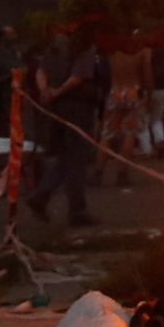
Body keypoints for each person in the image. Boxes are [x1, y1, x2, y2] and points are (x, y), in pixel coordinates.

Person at [22, 34, 107, 230]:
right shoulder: (84, 45)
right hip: (77, 107)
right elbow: (78, 77)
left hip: (56, 108)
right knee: (76, 158)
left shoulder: (54, 44)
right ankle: (78, 210)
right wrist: (56, 91)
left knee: (65, 157)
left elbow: (40, 71)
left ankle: (41, 196)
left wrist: (46, 92)